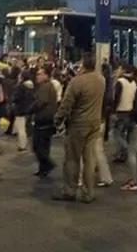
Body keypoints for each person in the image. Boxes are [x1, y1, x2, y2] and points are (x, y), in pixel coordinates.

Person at [53, 53, 105, 203]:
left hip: (78, 124)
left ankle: (70, 190)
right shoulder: (101, 80)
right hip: (95, 123)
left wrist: (58, 119)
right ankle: (88, 192)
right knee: (89, 160)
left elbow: (66, 104)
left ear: (83, 65)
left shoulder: (77, 82)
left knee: (72, 159)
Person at [30, 66, 59, 177]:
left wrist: (30, 110)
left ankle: (48, 164)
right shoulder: (48, 86)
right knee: (44, 145)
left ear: (46, 75)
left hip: (43, 119)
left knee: (38, 145)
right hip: (48, 119)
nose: (37, 76)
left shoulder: (45, 87)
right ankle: (43, 168)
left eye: (39, 74)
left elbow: (40, 102)